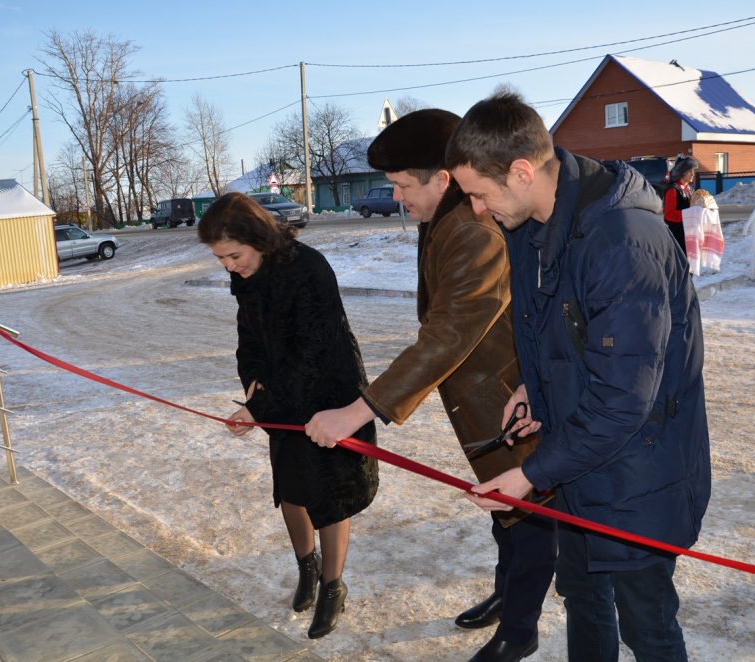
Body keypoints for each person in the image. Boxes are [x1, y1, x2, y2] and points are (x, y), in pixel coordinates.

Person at [447, 91, 711, 662]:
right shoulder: (528, 226)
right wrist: (532, 388)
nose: (475, 208)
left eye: (478, 193)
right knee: (582, 599)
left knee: (646, 625)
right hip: (578, 463)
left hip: (640, 470)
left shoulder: (621, 242)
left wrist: (530, 474)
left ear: (521, 172)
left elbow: (622, 399)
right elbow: (553, 328)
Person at [305, 109, 557, 662]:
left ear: (443, 178)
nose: (396, 197)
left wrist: (361, 409)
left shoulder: (472, 229)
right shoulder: (442, 218)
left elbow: (449, 331)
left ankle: (521, 631)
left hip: (512, 400)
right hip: (485, 400)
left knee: (530, 517)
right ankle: (507, 593)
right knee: (505, 512)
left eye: (401, 186)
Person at [198, 193, 379, 639]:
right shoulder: (247, 275)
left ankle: (333, 585)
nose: (228, 266)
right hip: (280, 398)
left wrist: (259, 407)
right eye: (221, 259)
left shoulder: (310, 269)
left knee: (330, 493)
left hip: (330, 399)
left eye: (233, 255)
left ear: (257, 239)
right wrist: (253, 382)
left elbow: (314, 352)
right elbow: (249, 339)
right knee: (293, 488)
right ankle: (307, 566)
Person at [663, 156, 700, 256]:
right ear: (682, 172)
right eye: (689, 171)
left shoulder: (690, 189)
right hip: (679, 236)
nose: (693, 174)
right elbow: (669, 215)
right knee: (682, 266)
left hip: (690, 234)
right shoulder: (673, 190)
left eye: (693, 171)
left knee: (690, 266)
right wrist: (689, 213)